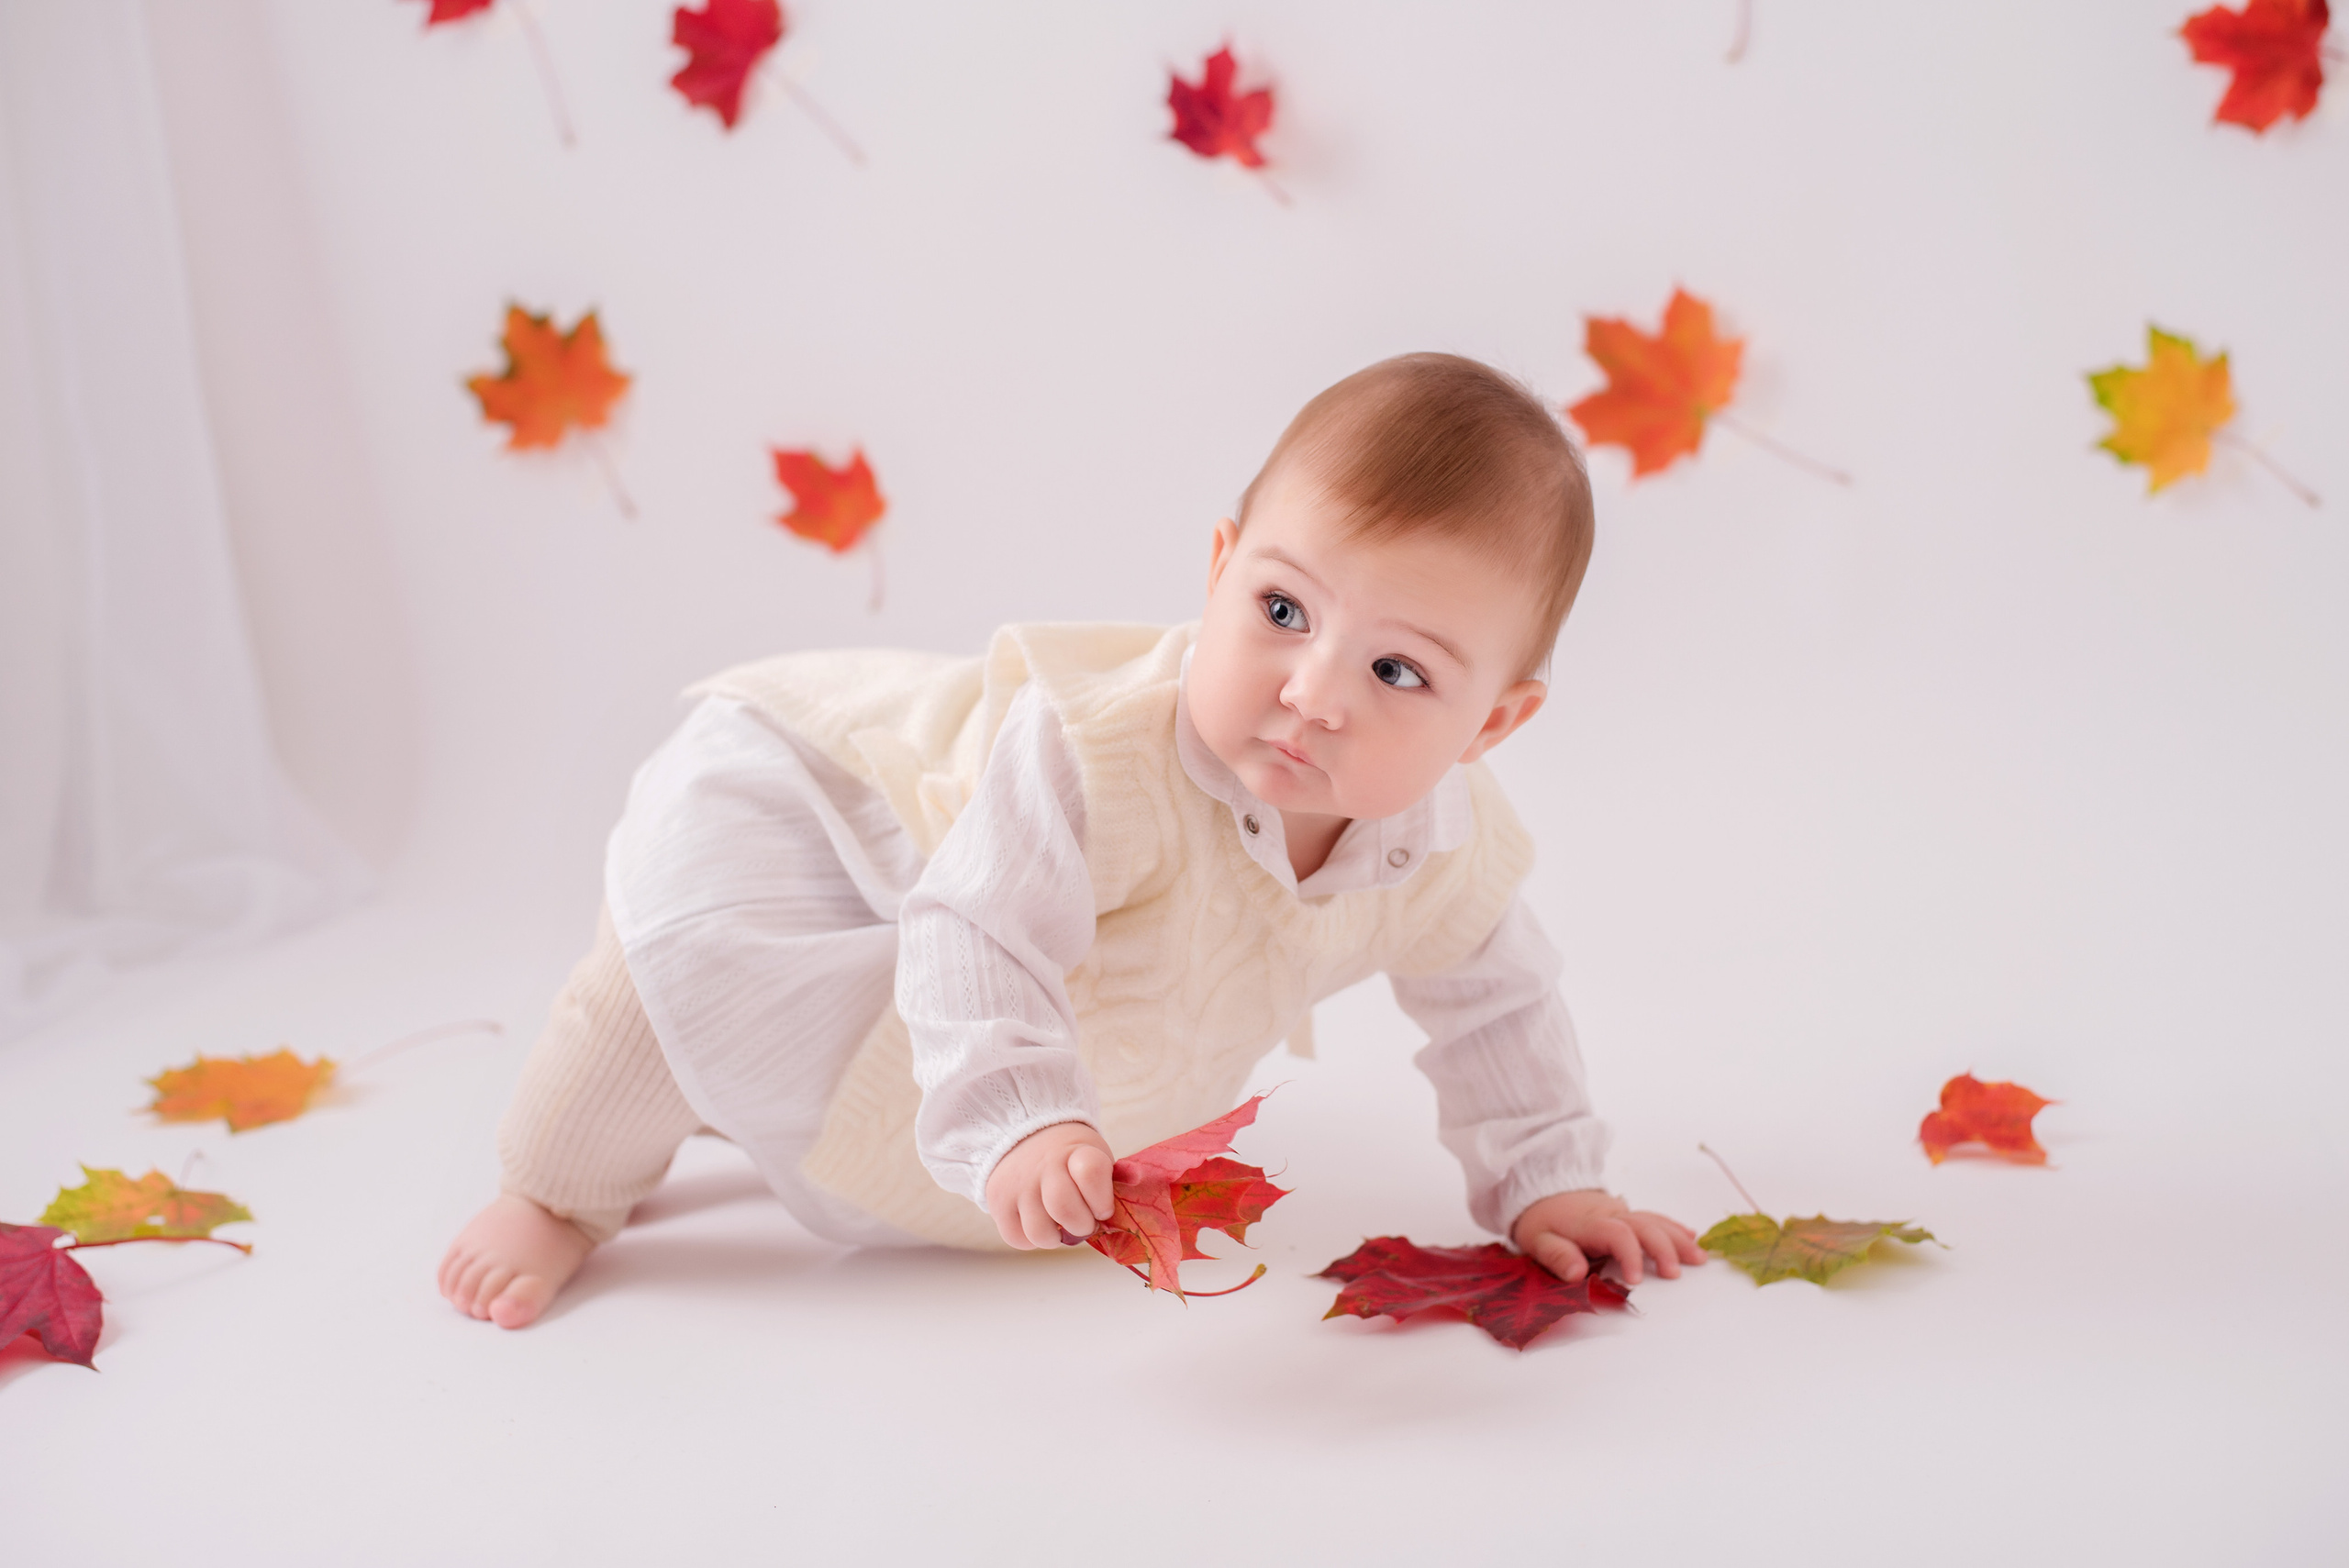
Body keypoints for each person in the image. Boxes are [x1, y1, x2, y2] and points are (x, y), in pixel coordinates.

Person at [438, 351, 1705, 1329]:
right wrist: (1024, 1115)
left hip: (1052, 1006)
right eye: (1280, 608)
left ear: (1496, 720)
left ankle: (757, 1112)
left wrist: (1548, 1178)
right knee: (677, 1003)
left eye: (1396, 669)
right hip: (854, 843)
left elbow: (1500, 1010)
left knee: (813, 1077)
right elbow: (979, 929)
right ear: (1217, 570)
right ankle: (554, 1189)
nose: (1314, 690)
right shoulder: (1099, 754)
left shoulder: (1444, 848)